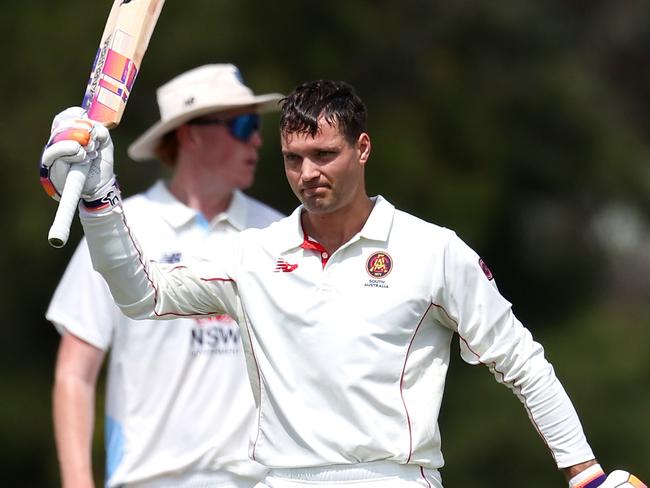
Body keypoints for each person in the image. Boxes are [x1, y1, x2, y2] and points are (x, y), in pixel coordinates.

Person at [40, 79, 646, 488]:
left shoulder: (432, 251)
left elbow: (521, 360)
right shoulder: (253, 254)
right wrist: (98, 199)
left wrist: (585, 473)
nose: (307, 174)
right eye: (293, 159)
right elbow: (140, 295)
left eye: (324, 155)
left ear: (362, 149)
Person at [43, 64, 285, 488]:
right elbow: (74, 375)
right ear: (190, 134)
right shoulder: (117, 229)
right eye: (243, 124)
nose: (258, 139)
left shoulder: (279, 234)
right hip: (149, 479)